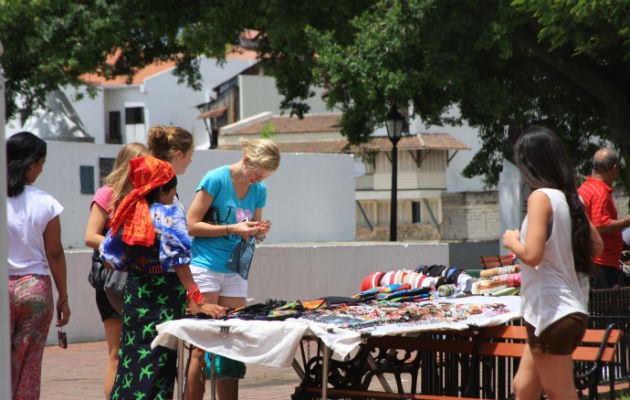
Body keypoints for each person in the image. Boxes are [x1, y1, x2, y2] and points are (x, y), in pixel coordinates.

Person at [100, 155, 226, 400]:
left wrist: (143, 265)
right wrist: (199, 300)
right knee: (160, 362)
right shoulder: (169, 214)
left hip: (136, 294)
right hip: (165, 298)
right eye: (173, 191)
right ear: (165, 190)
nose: (173, 197)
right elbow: (180, 264)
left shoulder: (127, 210)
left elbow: (109, 259)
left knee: (132, 360)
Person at [502, 126, 603, 400]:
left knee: (561, 393)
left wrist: (512, 240)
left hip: (551, 313)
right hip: (561, 312)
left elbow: (532, 255)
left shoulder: (540, 198)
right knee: (524, 387)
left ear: (530, 163)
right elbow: (598, 246)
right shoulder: (570, 199)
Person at [185, 138, 281, 400]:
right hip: (205, 264)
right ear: (247, 159)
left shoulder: (258, 188)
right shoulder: (216, 178)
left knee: (230, 342)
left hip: (236, 267)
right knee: (201, 344)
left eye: (264, 177)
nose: (258, 180)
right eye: (257, 174)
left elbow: (250, 231)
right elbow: (190, 225)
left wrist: (258, 232)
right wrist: (232, 229)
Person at [7, 131, 71, 399]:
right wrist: (63, 298)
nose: (41, 170)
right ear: (31, 164)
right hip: (35, 289)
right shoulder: (45, 202)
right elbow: (54, 253)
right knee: (29, 362)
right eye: (41, 164)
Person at [84, 142, 148, 398]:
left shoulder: (147, 195)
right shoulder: (107, 195)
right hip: (113, 282)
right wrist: (124, 245)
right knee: (117, 353)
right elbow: (90, 236)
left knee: (138, 352)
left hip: (141, 281)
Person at [578, 148, 630, 288]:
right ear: (614, 168)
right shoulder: (599, 192)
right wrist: (627, 221)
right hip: (602, 263)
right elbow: (600, 226)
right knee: (606, 308)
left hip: (593, 261)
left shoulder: (585, 188)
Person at [147, 125, 195, 210]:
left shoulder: (153, 181)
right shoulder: (161, 188)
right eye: (190, 155)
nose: (190, 161)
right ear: (179, 155)